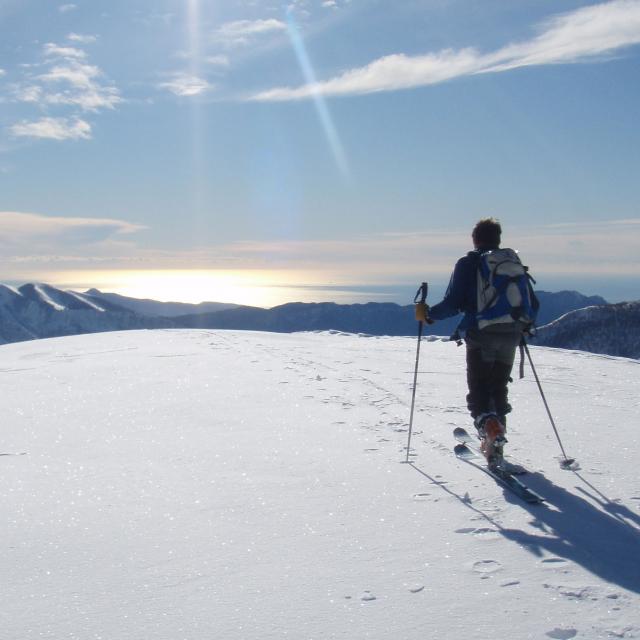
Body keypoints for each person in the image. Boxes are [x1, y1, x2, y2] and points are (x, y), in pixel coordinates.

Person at [416, 218, 529, 467]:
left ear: (475, 239)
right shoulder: (511, 262)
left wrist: (428, 314)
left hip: (482, 335)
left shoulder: (469, 263)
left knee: (479, 390)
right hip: (512, 334)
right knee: (498, 387)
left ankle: (491, 432)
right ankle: (495, 443)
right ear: (498, 238)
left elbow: (453, 303)